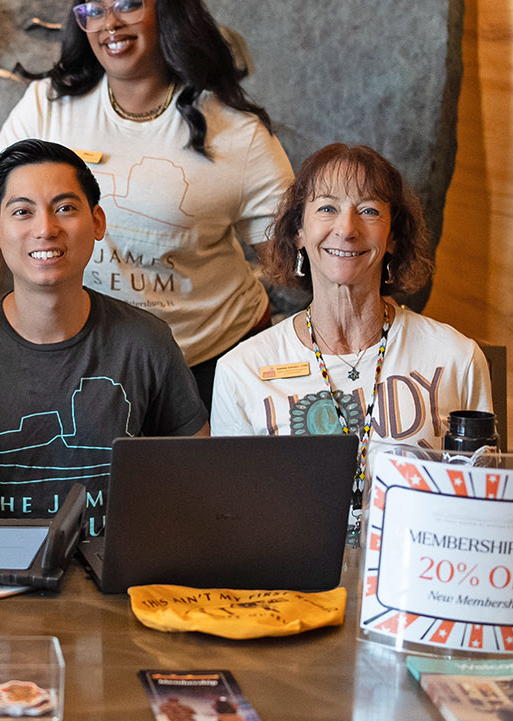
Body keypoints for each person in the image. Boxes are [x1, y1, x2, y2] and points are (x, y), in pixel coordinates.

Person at [0, 0, 293, 406]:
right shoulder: (47, 106)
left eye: (128, 4)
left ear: (166, 8)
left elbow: (293, 259)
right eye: (93, 10)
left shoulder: (238, 133)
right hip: (88, 359)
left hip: (209, 360)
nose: (109, 23)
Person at [0, 139, 205, 536]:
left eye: (65, 208)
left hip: (114, 583)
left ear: (98, 222)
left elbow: (195, 475)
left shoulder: (146, 343)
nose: (45, 229)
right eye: (22, 212)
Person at [210, 143, 491, 516]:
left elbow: (485, 510)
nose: (346, 228)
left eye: (370, 210)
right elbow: (234, 518)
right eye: (327, 208)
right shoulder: (241, 371)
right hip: (292, 574)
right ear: (298, 232)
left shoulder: (457, 358)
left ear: (392, 237)